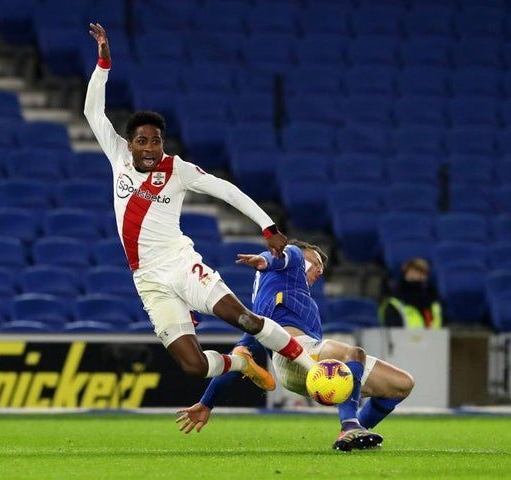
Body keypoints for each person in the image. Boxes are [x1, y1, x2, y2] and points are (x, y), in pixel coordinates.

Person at [84, 23, 317, 389]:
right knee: (193, 366)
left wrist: (268, 227)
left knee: (243, 320)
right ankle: (238, 363)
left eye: (156, 141)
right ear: (129, 144)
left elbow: (226, 190)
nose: (149, 148)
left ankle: (312, 366)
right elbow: (92, 113)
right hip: (147, 279)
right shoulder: (118, 156)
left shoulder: (177, 169)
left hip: (180, 263)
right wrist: (103, 65)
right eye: (142, 141)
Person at [175, 240, 415, 452]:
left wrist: (207, 403)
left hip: (304, 367)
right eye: (315, 261)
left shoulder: (275, 298)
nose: (320, 268)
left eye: (322, 266)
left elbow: (242, 355)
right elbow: (281, 255)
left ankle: (355, 435)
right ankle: (349, 426)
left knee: (402, 385)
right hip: (298, 356)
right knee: (354, 352)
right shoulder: (285, 270)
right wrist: (265, 260)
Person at [380, 257, 442, 328]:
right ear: (405, 275)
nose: (417, 277)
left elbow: (443, 327)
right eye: (412, 274)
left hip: (434, 338)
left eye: (422, 274)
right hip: (403, 338)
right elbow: (393, 332)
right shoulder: (394, 303)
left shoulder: (434, 301)